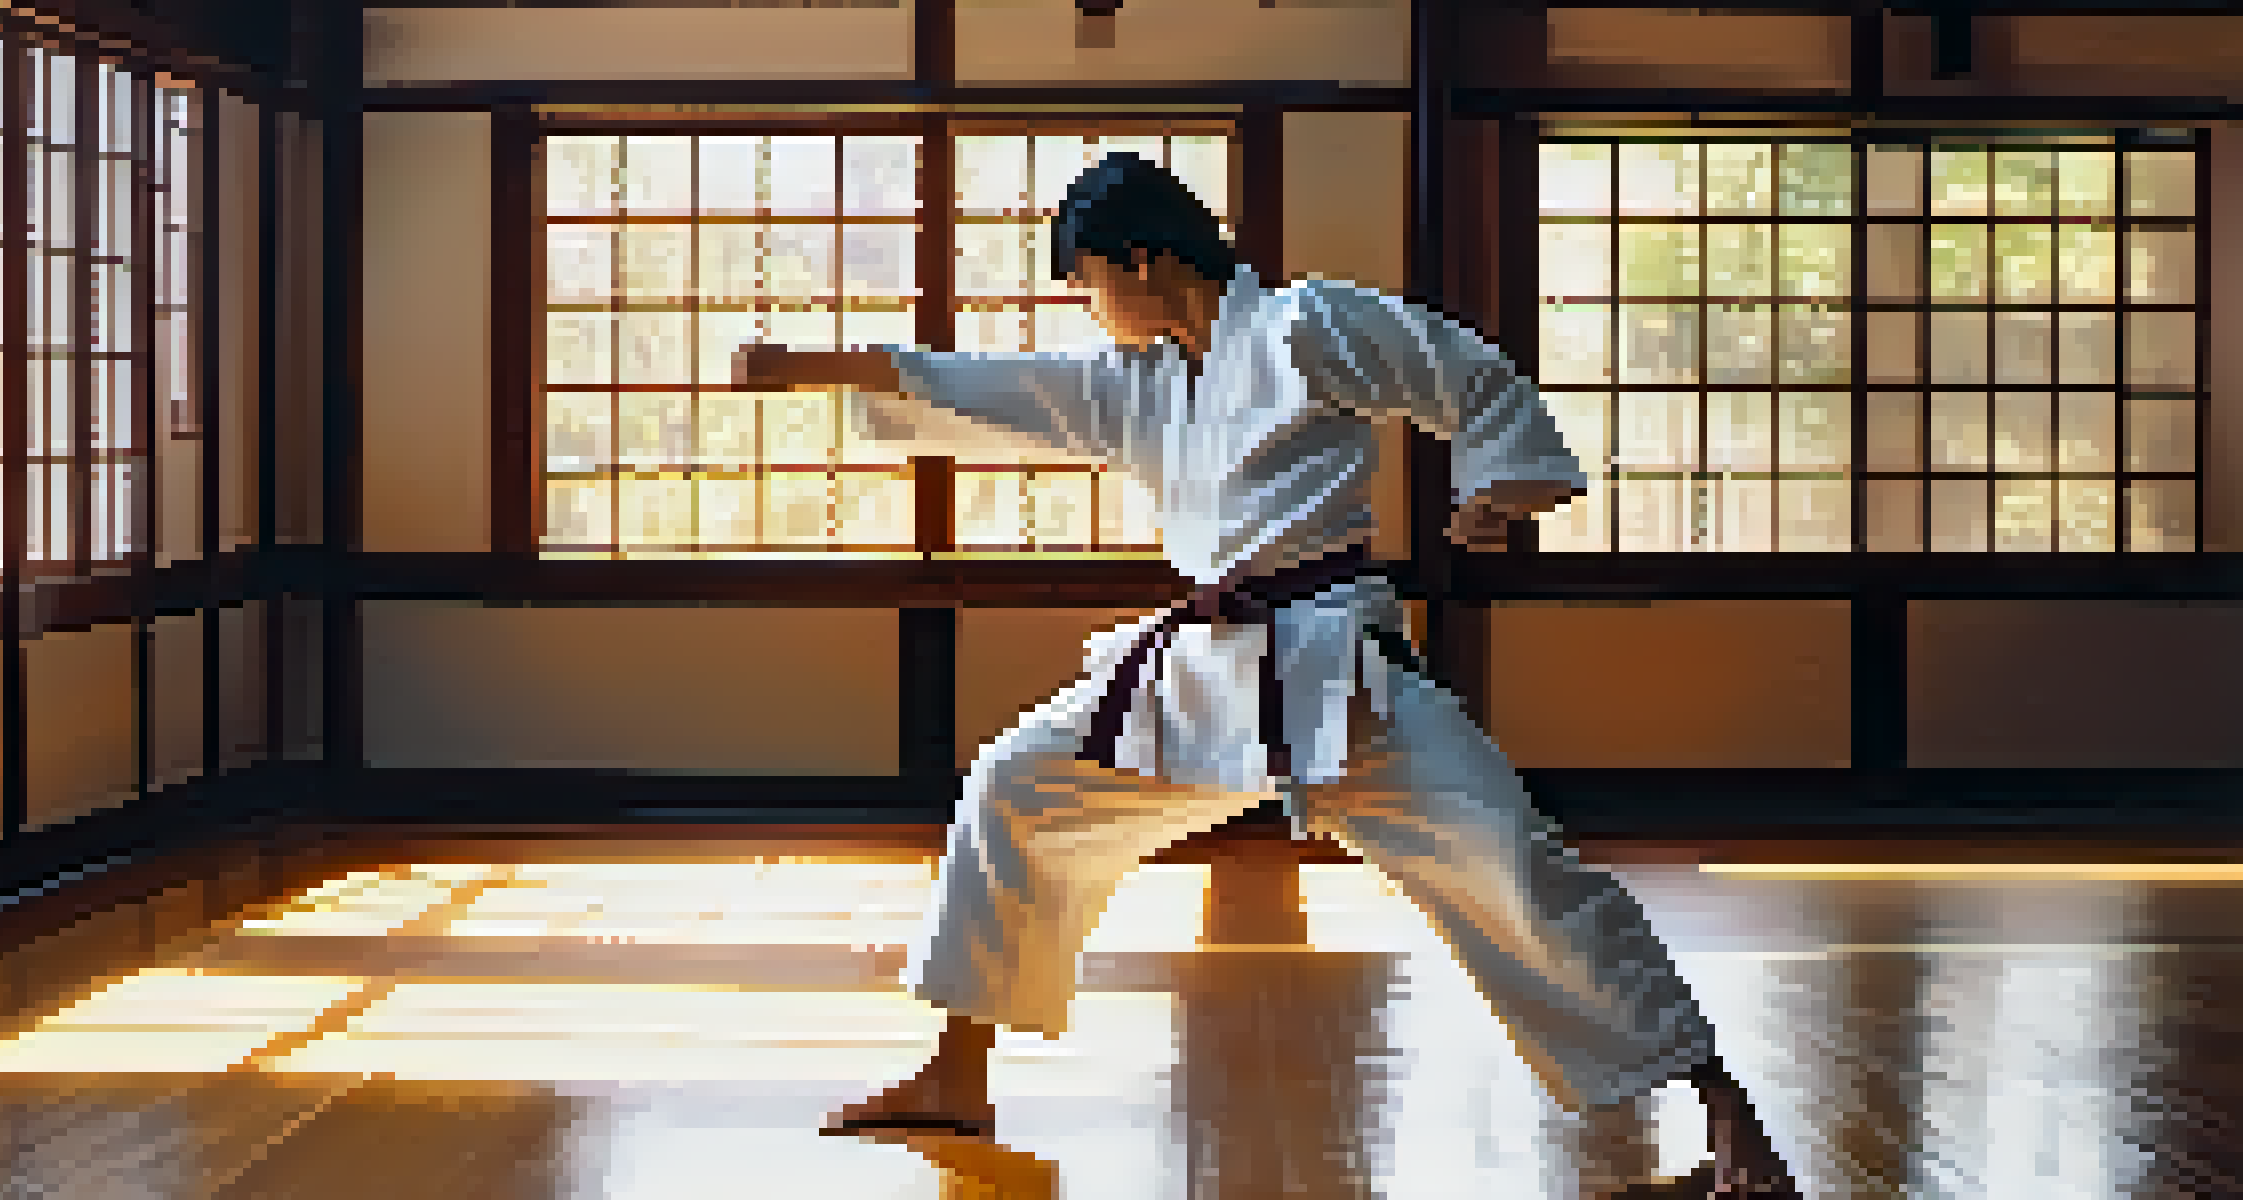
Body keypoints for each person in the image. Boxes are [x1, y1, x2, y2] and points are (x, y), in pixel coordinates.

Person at [736, 152, 1802, 1197]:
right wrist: (817, 369)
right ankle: (956, 1076)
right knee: (1015, 784)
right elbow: (1003, 388)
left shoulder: (1304, 325)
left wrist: (1496, 489)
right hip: (1201, 673)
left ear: (1146, 260)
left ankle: (1727, 1111)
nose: (1087, 305)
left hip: (1339, 674)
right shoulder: (1145, 386)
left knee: (1520, 875)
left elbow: (1458, 369)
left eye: (1089, 279)